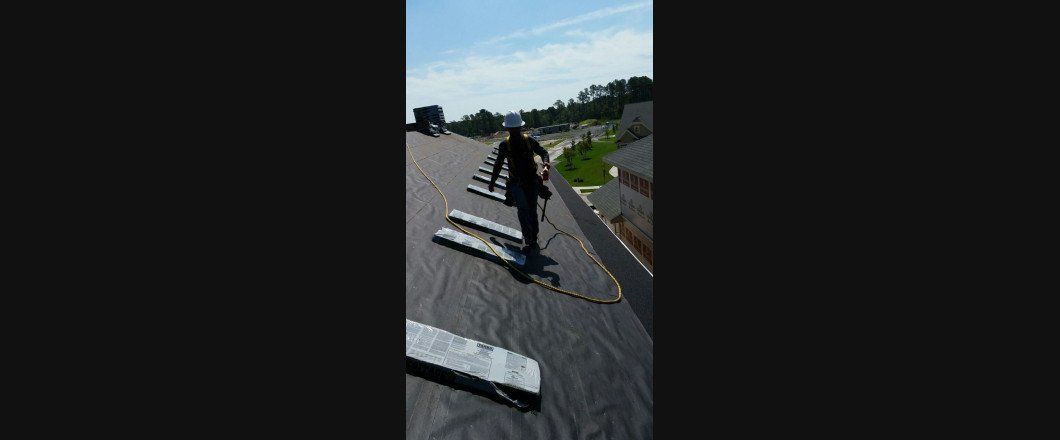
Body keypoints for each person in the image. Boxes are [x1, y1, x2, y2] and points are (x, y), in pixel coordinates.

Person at [489, 111, 551, 250]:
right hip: (517, 183)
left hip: (531, 182)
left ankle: (533, 237)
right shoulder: (505, 145)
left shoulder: (528, 141)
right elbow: (498, 164)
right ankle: (529, 238)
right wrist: (492, 182)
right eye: (513, 129)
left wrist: (546, 165)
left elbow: (544, 153)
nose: (515, 132)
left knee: (531, 210)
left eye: (516, 129)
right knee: (524, 210)